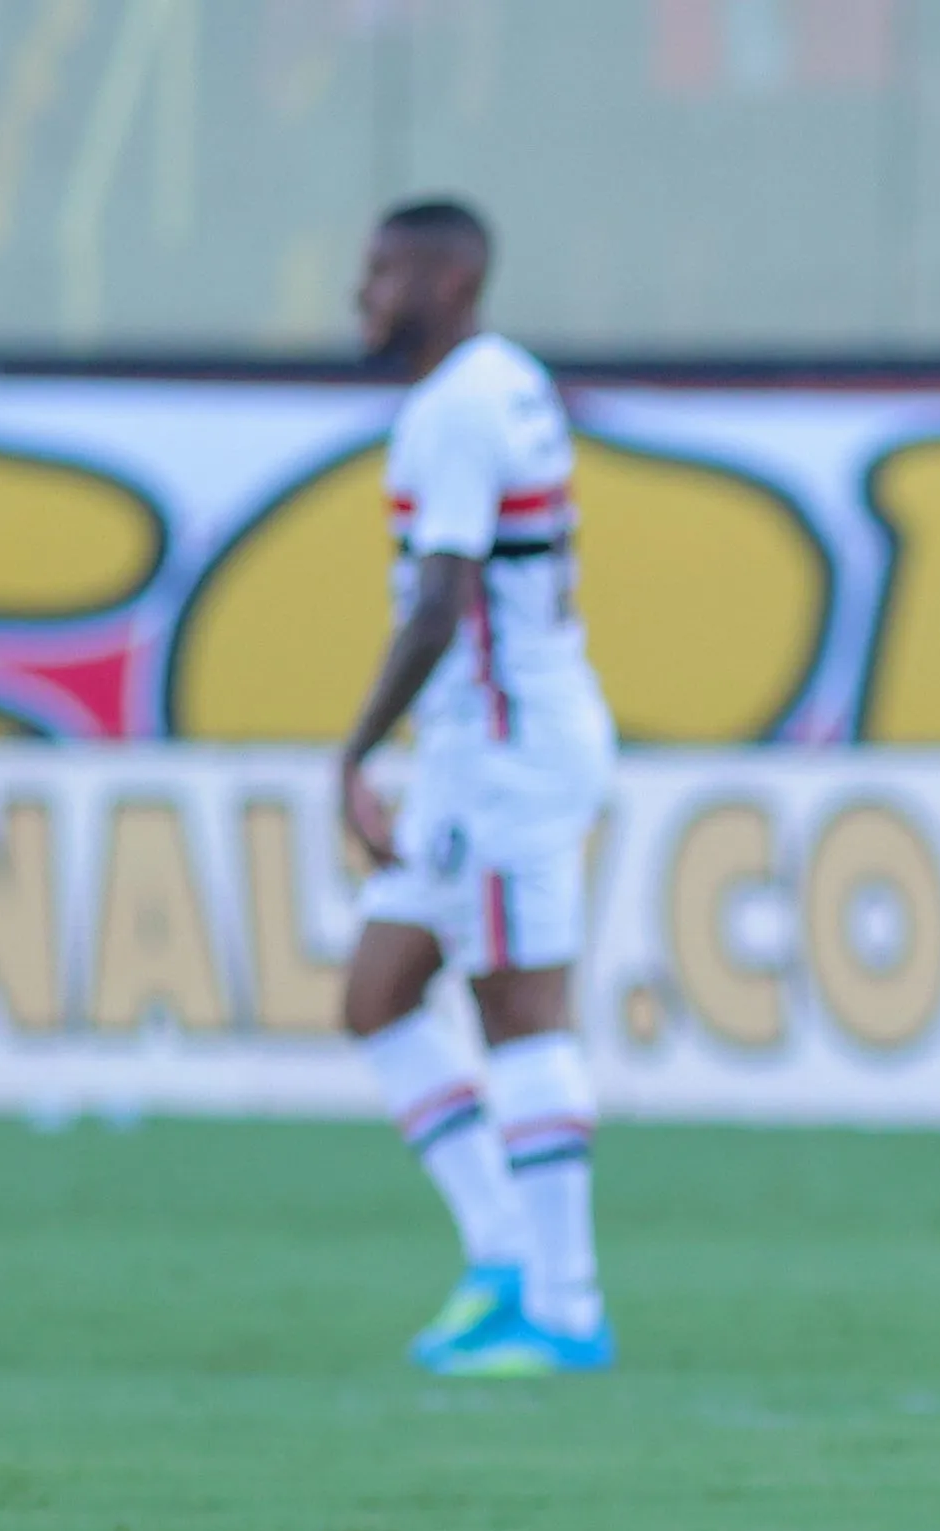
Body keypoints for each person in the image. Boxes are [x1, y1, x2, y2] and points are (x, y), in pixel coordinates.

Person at [335, 200, 615, 1377]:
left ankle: (563, 1308)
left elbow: (443, 597)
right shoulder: (509, 379)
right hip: (484, 747)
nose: (364, 296)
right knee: (377, 995)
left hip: (505, 755)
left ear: (446, 281)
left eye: (384, 273)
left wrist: (351, 752)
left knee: (518, 1010)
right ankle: (503, 1253)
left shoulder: (453, 409)